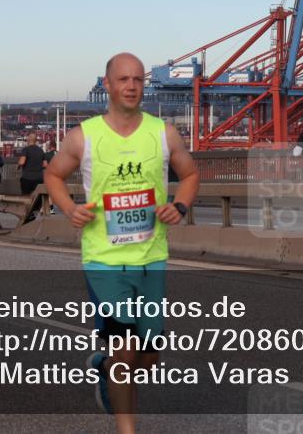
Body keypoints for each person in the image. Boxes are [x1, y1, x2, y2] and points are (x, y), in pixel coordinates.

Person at [44, 52, 199, 433]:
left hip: (151, 257)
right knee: (125, 349)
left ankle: (104, 369)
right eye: (123, 79)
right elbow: (53, 175)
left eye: (138, 80)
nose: (131, 86)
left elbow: (191, 173)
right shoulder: (84, 136)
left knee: (148, 356)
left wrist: (179, 205)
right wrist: (70, 209)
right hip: (105, 261)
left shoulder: (163, 133)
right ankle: (127, 428)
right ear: (108, 84)